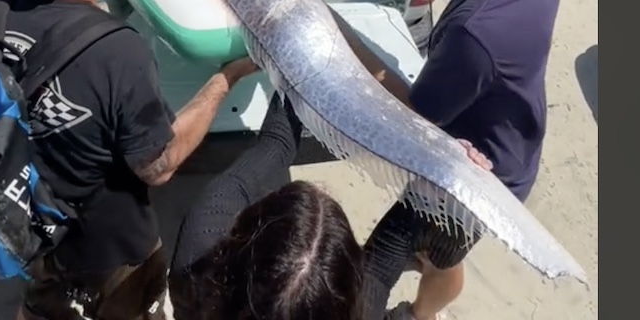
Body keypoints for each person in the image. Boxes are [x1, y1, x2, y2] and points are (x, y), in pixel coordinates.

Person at [0, 0, 260, 320]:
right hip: (106, 246)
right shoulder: (120, 54)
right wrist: (227, 77)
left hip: (23, 222)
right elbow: (158, 167)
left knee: (43, 305)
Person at [302, 0, 562, 320]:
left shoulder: (477, 33)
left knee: (370, 273)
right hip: (512, 145)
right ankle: (426, 314)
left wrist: (333, 29)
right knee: (444, 255)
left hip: (472, 180)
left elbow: (409, 115)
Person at [168, 95, 492, 320]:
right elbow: (389, 253)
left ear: (244, 237)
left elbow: (275, 147)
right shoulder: (364, 309)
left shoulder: (197, 262)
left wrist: (292, 76)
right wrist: (451, 176)